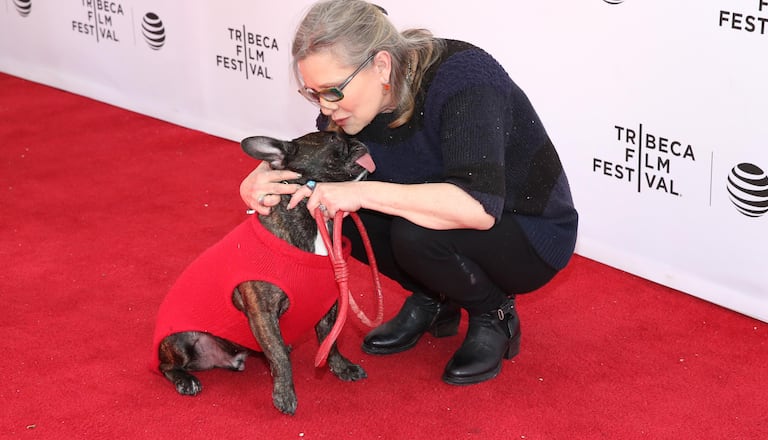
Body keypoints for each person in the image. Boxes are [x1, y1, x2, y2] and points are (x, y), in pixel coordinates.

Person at [240, 0, 578, 385]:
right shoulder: (350, 107)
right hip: (444, 220)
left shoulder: (464, 77)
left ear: (381, 66)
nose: (325, 107)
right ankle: (434, 297)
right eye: (312, 93)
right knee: (328, 204)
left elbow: (478, 208)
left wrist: (361, 195)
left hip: (529, 231)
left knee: (402, 226)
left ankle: (493, 313)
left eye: (332, 91)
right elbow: (319, 159)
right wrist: (262, 173)